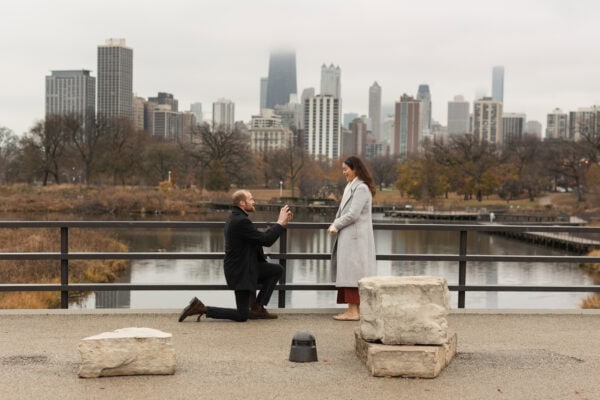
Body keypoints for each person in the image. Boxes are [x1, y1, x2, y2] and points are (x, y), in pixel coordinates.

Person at [178, 189, 292, 322]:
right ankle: (201, 308)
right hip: (240, 273)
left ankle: (257, 308)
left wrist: (281, 224)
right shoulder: (240, 222)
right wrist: (279, 223)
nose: (254, 201)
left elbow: (258, 238)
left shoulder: (237, 218)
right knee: (242, 315)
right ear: (242, 203)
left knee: (276, 270)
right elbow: (266, 240)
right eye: (251, 199)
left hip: (245, 267)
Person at [328, 156, 377, 321]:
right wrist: (336, 223)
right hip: (350, 238)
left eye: (345, 169)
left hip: (355, 239)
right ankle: (353, 310)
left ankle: (354, 311)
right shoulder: (351, 186)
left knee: (353, 274)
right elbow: (344, 210)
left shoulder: (361, 188)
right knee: (350, 273)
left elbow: (353, 214)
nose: (344, 173)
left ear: (355, 169)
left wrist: (336, 224)